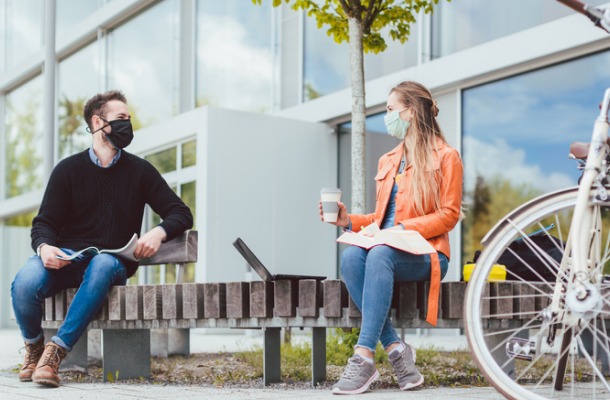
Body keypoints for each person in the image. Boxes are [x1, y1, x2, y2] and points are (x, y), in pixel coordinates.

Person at [10, 90, 193, 388]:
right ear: (98, 122)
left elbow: (180, 213)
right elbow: (43, 224)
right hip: (68, 259)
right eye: (121, 118)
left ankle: (55, 353)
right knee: (25, 281)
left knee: (104, 262)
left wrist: (158, 232)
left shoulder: (140, 171)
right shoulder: (68, 170)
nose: (128, 124)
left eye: (129, 119)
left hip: (111, 264)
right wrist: (44, 248)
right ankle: (34, 348)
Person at [319, 81, 463, 395]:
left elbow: (449, 214)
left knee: (381, 252)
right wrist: (349, 220)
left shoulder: (447, 156)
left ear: (410, 111)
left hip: (428, 253)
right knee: (351, 256)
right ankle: (397, 350)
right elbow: (380, 219)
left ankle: (363, 356)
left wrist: (403, 231)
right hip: (388, 247)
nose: (386, 116)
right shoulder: (388, 160)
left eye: (390, 109)